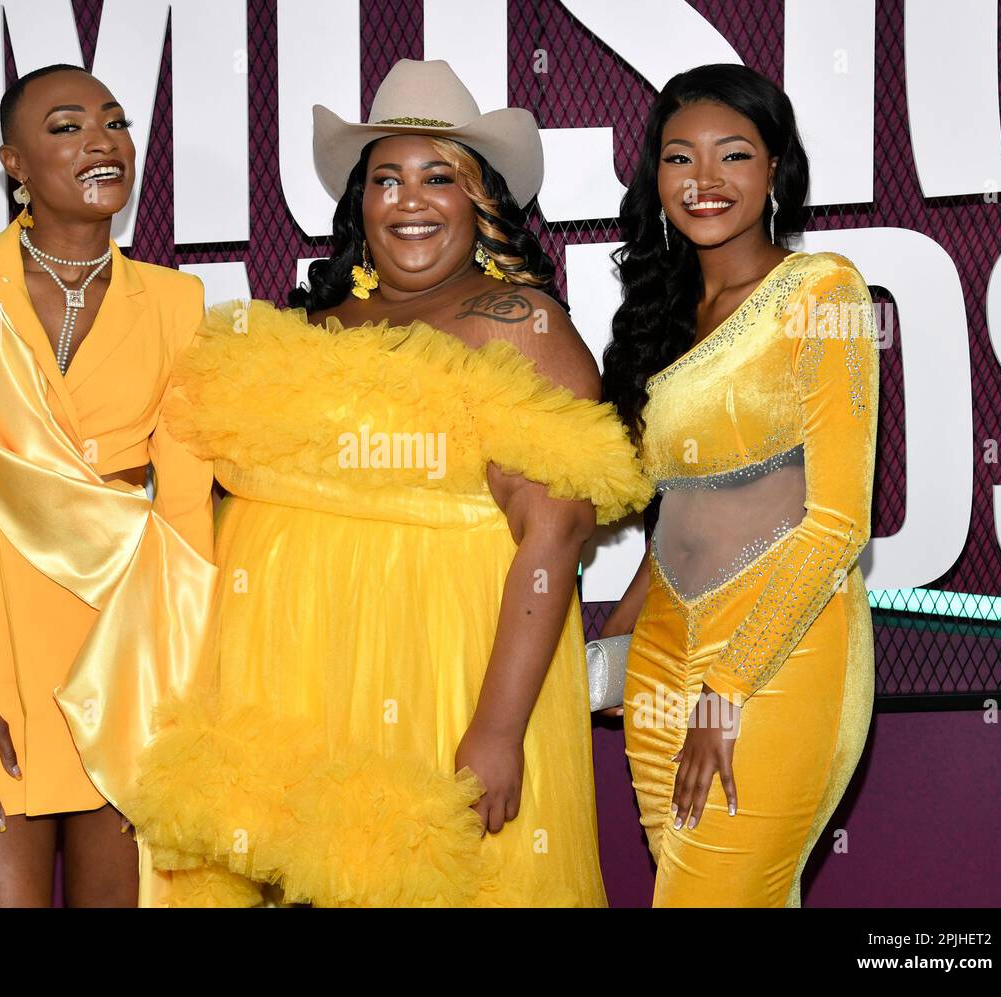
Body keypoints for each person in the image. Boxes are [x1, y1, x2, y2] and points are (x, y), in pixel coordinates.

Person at [124, 59, 653, 907]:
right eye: (386, 179)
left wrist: (498, 729)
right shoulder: (312, 328)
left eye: (438, 177)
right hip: (292, 694)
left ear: (479, 204)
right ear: (359, 203)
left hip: (442, 683)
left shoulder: (516, 322)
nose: (410, 201)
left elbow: (553, 535)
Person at [0, 64, 214, 906]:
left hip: (127, 658)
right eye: (67, 127)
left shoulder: (178, 302)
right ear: (14, 164)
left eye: (115, 122)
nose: (102, 142)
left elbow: (184, 511)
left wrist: (189, 696)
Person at [600, 64, 879, 907]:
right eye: (680, 159)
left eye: (734, 155)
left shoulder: (822, 290)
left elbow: (838, 523)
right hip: (659, 647)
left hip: (776, 651)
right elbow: (681, 508)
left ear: (775, 172)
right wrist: (618, 633)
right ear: (655, 179)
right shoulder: (662, 312)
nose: (705, 180)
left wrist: (725, 690)